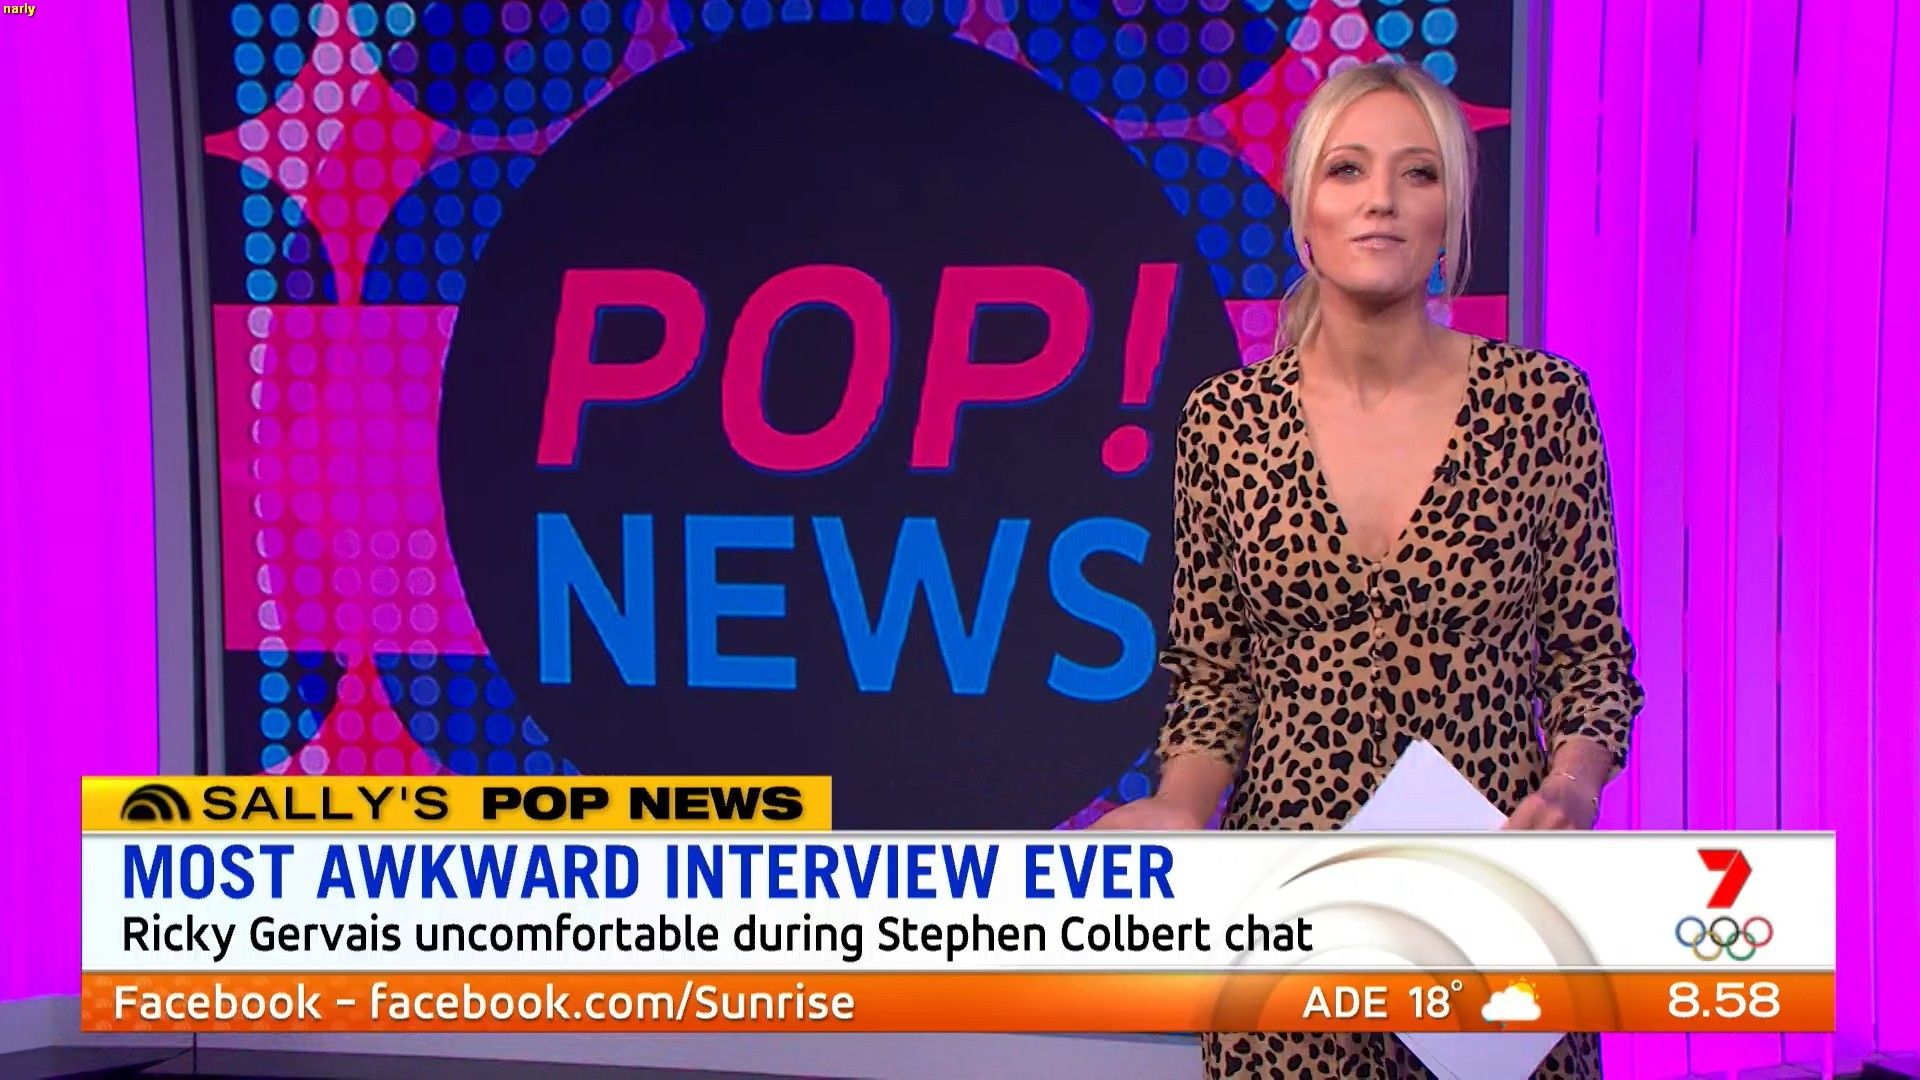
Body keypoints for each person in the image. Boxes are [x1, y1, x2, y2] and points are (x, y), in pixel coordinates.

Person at [1091, 61, 1646, 1079]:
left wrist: (1572, 790)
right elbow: (1213, 681)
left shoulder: (1543, 404)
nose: (1381, 198)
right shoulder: (1227, 425)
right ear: (1303, 212)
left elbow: (1590, 662)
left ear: (1451, 216)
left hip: (1488, 917)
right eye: (1347, 169)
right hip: (1288, 920)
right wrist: (1179, 806)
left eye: (1417, 173)